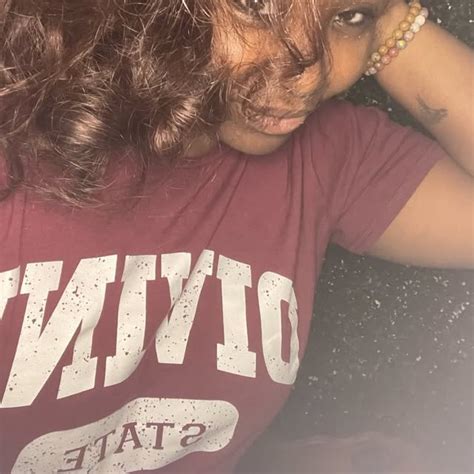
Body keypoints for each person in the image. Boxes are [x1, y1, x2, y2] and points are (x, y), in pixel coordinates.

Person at [0, 0, 472, 472]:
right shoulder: (16, 134)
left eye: (351, 19)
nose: (308, 77)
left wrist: (389, 17)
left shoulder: (327, 155)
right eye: (256, 6)